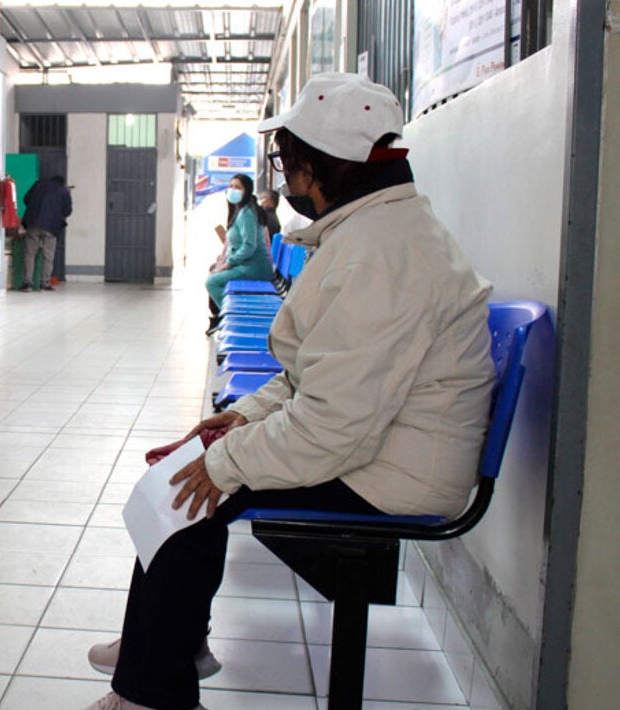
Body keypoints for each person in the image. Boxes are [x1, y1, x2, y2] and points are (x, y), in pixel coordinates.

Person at [83, 72, 496, 710]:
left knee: (192, 486)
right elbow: (314, 373)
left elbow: (334, 423)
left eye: (285, 161)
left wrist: (225, 461)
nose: (280, 176)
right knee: (191, 473)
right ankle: (164, 645)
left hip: (395, 472)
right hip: (382, 443)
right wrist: (240, 419)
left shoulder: (378, 255)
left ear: (315, 167)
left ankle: (151, 685)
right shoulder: (376, 232)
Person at [203, 174, 274, 334]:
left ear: (247, 191)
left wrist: (229, 263)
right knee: (215, 275)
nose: (233, 190)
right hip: (246, 264)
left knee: (213, 282)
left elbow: (249, 247)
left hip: (254, 267)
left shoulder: (247, 214)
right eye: (231, 186)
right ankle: (230, 316)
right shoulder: (242, 211)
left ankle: (231, 319)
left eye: (238, 187)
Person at [19, 175, 72, 291]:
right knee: (48, 256)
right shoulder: (63, 190)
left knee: (30, 254)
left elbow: (26, 199)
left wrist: (36, 207)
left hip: (33, 223)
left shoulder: (38, 184)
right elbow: (67, 211)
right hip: (51, 227)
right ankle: (45, 283)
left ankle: (28, 283)